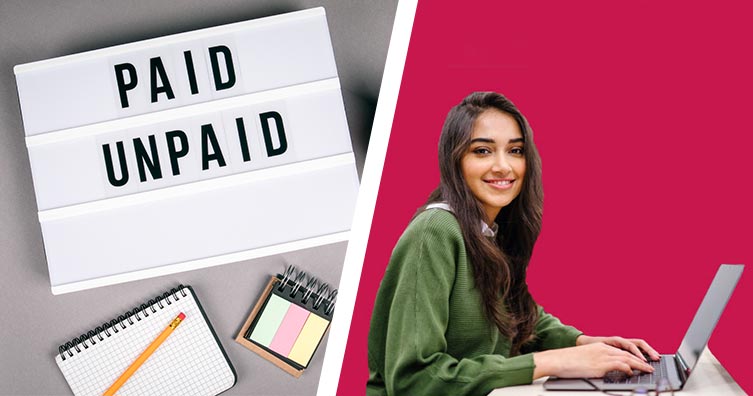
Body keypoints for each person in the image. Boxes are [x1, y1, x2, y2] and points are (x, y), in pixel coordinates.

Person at [366, 92, 660, 395]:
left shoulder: (489, 230)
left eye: (516, 151)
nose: (503, 166)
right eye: (482, 151)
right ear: (454, 160)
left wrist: (583, 344)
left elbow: (520, 317)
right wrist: (554, 361)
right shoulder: (436, 232)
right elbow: (414, 380)